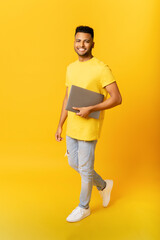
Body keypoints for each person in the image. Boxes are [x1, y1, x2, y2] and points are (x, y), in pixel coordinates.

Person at [55, 25, 122, 222]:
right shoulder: (70, 67)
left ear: (93, 43)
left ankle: (84, 207)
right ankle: (103, 186)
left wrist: (90, 109)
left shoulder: (101, 68)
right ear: (74, 42)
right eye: (78, 40)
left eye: (86, 41)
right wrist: (60, 124)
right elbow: (67, 97)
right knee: (74, 163)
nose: (81, 44)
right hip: (72, 127)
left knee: (85, 169)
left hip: (89, 128)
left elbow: (117, 98)